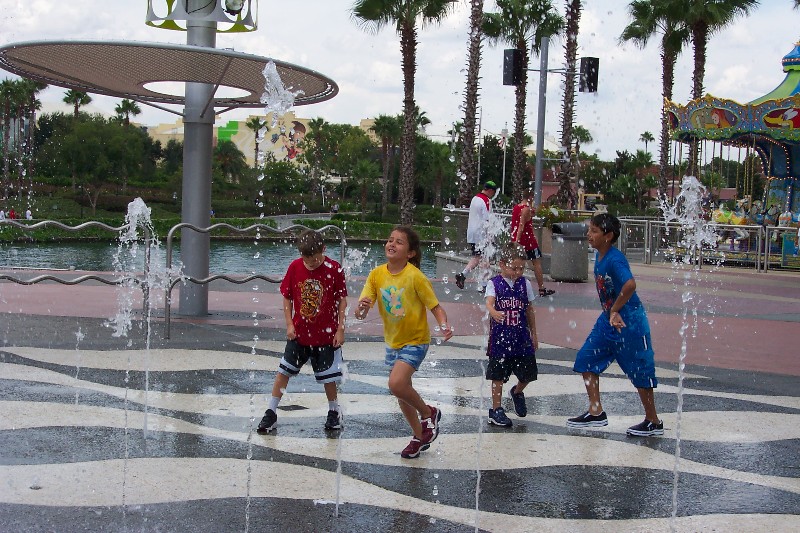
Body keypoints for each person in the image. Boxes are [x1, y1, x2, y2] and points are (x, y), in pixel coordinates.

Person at [355, 225, 453, 458]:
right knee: (401, 392)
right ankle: (419, 437)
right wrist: (361, 308)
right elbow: (360, 313)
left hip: (416, 340)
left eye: (399, 242)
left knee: (396, 384)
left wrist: (443, 325)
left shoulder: (415, 277)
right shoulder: (376, 275)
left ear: (410, 253)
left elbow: (435, 307)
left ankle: (429, 413)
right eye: (390, 240)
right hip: (393, 342)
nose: (392, 244)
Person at [567, 213, 663, 437]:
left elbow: (630, 284)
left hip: (629, 321)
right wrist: (611, 312)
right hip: (608, 320)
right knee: (586, 359)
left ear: (608, 236)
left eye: (594, 231)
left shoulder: (615, 259)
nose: (589, 234)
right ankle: (595, 411)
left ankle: (653, 421)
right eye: (589, 229)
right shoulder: (600, 256)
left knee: (640, 370)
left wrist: (616, 308)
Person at [257, 229, 348, 434]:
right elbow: (287, 297)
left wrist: (340, 329)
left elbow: (342, 300)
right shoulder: (295, 267)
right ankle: (271, 411)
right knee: (284, 371)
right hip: (299, 333)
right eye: (307, 260)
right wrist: (289, 324)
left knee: (328, 376)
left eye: (315, 260)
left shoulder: (334, 269)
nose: (311, 264)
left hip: (326, 335)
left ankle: (334, 410)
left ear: (323, 250)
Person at [484, 243, 539, 428]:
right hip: (500, 339)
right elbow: (489, 303)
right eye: (513, 267)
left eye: (521, 268)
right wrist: (493, 312)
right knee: (497, 374)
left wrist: (534, 334)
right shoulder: (494, 284)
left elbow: (530, 309)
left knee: (529, 374)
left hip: (521, 338)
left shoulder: (525, 284)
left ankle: (516, 391)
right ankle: (496, 409)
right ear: (502, 264)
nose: (518, 271)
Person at [510, 188, 556, 297]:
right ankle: (541, 288)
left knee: (517, 263)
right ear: (530, 197)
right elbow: (521, 225)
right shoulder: (526, 209)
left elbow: (518, 223)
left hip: (519, 239)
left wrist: (515, 240)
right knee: (536, 263)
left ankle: (513, 286)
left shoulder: (517, 207)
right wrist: (517, 241)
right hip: (528, 241)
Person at [455, 181, 498, 290]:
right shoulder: (486, 201)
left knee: (477, 257)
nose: (493, 195)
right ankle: (483, 285)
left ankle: (463, 275)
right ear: (490, 190)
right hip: (481, 234)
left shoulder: (475, 198)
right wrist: (490, 235)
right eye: (493, 193)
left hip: (472, 233)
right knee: (485, 258)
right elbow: (487, 219)